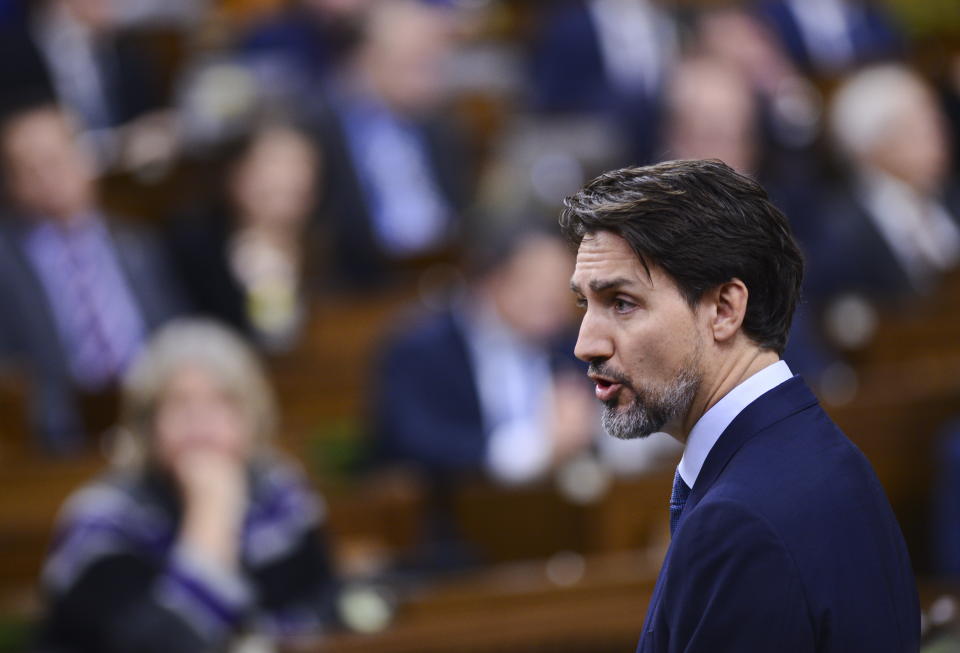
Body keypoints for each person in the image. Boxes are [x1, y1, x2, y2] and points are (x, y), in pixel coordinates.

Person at [561, 159, 918, 652]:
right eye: (585, 304)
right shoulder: (817, 456)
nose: (586, 344)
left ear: (725, 309)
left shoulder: (739, 522)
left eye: (621, 302)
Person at [36, 320, 338, 652]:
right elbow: (159, 645)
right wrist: (211, 513)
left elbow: (325, 610)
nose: (200, 420)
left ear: (253, 419)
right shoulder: (103, 518)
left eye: (222, 402)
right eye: (179, 403)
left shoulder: (279, 494)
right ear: (147, 426)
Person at [0, 102, 183, 453]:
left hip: (156, 418)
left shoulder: (138, 243)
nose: (46, 178)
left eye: (55, 160)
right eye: (28, 168)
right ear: (12, 184)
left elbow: (176, 332)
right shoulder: (6, 263)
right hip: (59, 436)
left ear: (86, 159)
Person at [374, 227, 595, 486]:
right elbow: (411, 441)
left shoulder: (572, 344)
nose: (555, 299)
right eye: (539, 282)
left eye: (564, 285)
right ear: (493, 280)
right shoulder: (421, 349)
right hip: (459, 507)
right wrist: (518, 451)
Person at [168, 123, 323, 352]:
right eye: (272, 163)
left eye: (299, 164)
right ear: (236, 177)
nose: (287, 177)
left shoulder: (333, 247)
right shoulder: (197, 250)